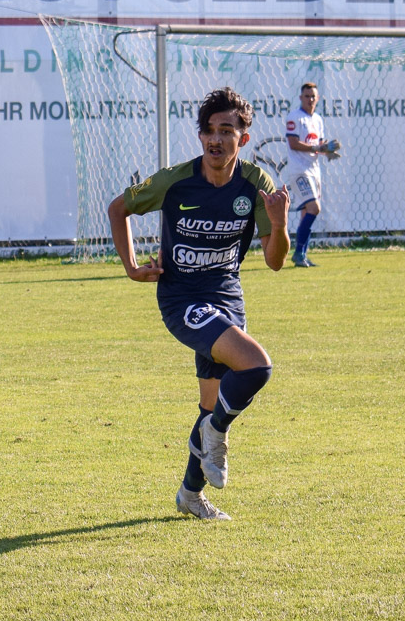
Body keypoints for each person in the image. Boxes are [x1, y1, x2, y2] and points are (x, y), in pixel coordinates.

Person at [107, 87, 291, 522]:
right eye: (209, 130)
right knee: (257, 367)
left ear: (243, 138)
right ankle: (216, 432)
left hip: (227, 299)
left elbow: (275, 261)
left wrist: (280, 222)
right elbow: (118, 209)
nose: (216, 139)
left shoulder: (256, 185)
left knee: (212, 405)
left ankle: (190, 495)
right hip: (182, 299)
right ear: (200, 137)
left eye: (226, 130)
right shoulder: (175, 181)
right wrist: (131, 267)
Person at [284, 81, 339, 267]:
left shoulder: (318, 119)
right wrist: (318, 148)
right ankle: (298, 253)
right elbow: (293, 143)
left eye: (313, 96)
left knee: (306, 213)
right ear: (301, 98)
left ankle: (302, 255)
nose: (310, 99)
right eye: (307, 96)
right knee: (314, 208)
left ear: (318, 98)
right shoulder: (295, 117)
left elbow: (319, 145)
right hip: (300, 171)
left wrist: (328, 151)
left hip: (314, 171)